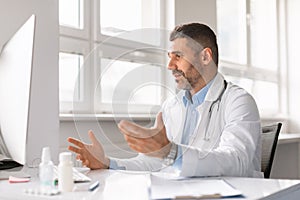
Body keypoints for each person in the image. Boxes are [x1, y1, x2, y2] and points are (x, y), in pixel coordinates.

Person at [68, 22, 262, 177]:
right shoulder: (171, 107)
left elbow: (236, 161)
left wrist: (171, 152)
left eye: (178, 56)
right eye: (170, 56)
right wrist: (108, 163)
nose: (170, 66)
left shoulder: (238, 101)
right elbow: (151, 162)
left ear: (205, 56)